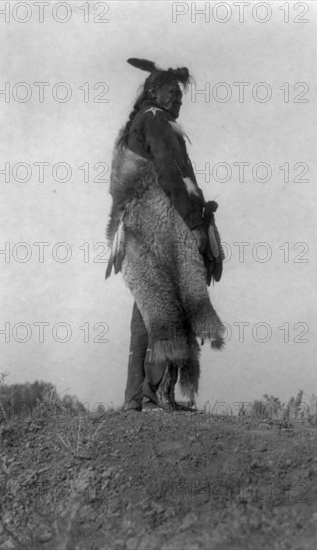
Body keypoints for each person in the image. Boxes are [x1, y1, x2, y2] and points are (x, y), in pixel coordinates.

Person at [117, 58, 211, 412]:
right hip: (158, 225)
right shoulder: (155, 122)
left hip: (143, 225)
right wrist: (195, 222)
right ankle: (153, 392)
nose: (179, 100)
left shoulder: (145, 122)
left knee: (146, 309)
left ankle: (137, 397)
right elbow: (170, 174)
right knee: (161, 306)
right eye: (173, 93)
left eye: (181, 95)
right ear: (155, 92)